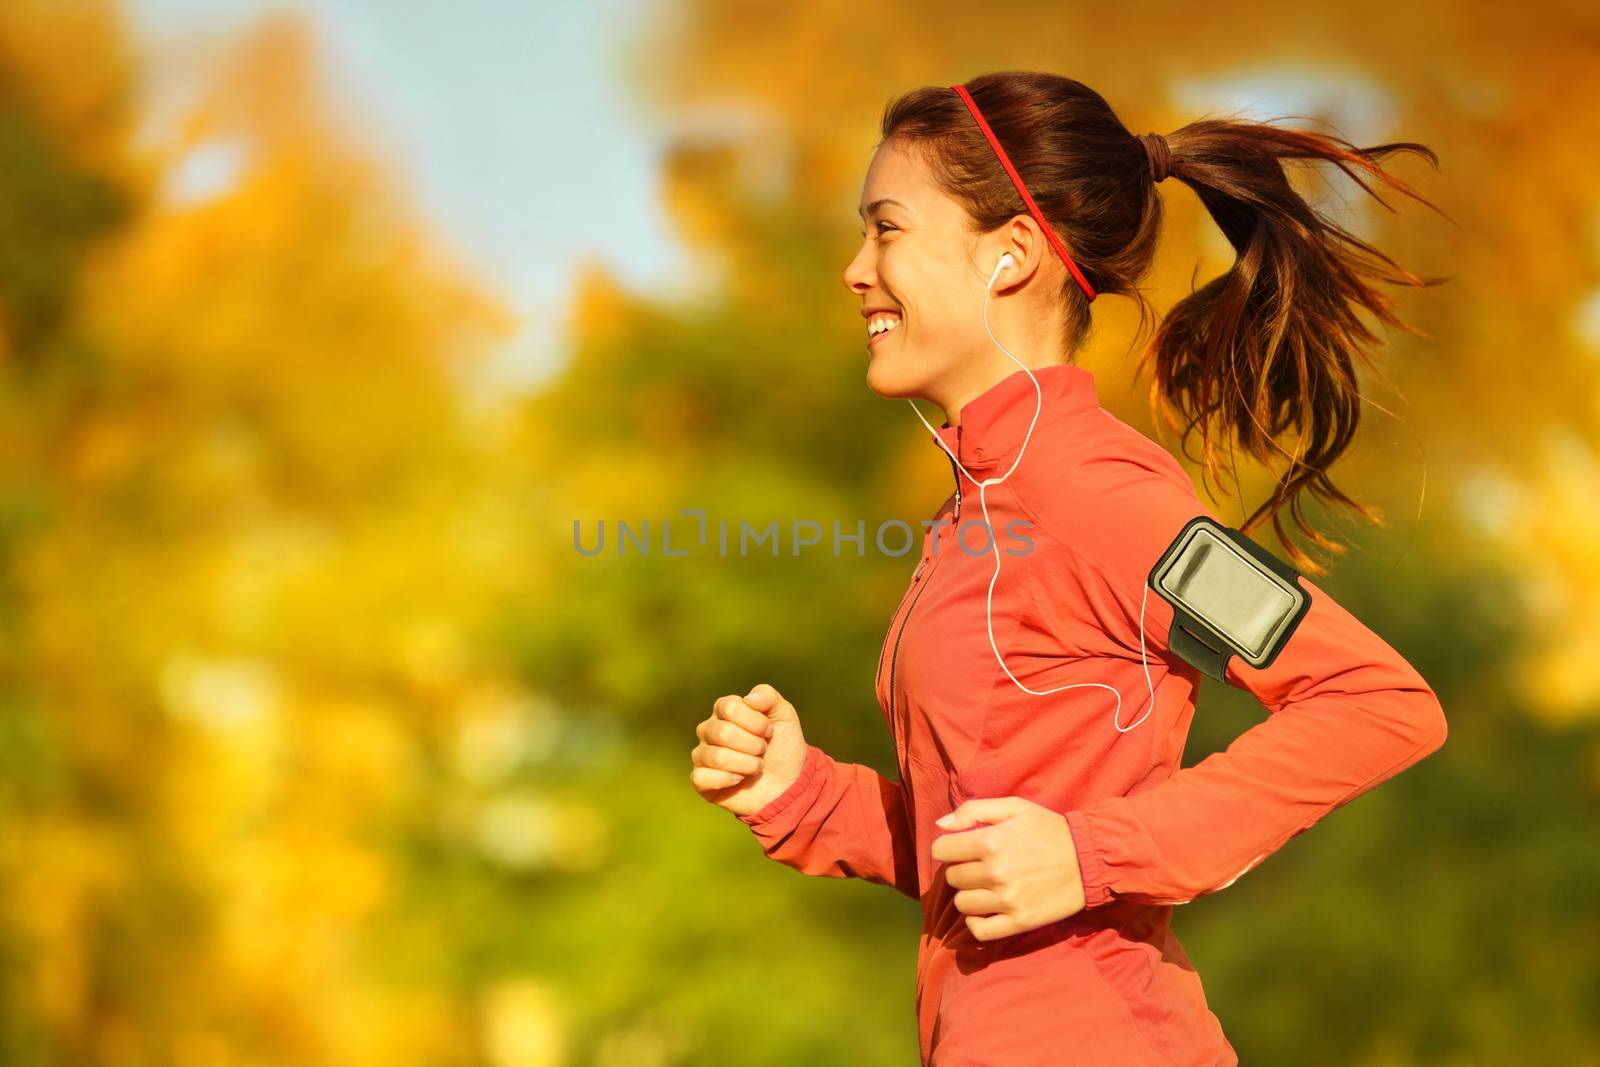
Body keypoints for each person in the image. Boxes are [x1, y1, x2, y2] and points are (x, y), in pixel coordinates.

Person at [689, 70, 1449, 1067]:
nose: (854, 268)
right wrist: (805, 792)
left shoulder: (1094, 494)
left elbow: (1376, 701)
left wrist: (1094, 855)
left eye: (885, 228)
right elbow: (980, 846)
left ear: (1010, 254)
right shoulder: (978, 505)